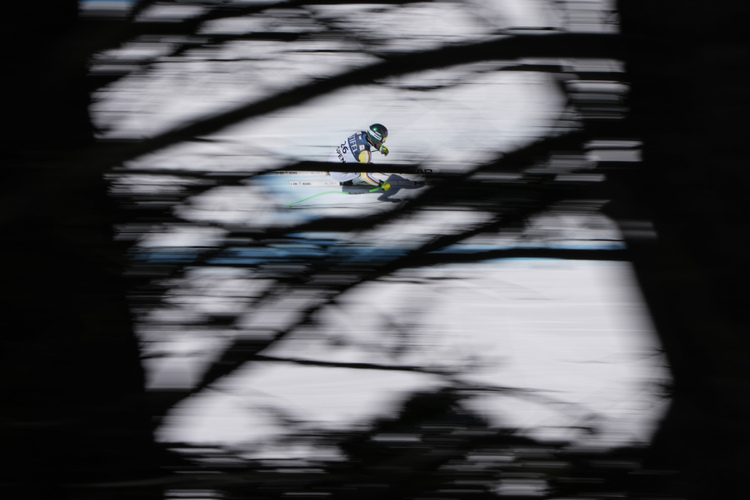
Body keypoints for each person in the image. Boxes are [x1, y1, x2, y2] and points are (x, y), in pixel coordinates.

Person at [328, 123, 392, 190]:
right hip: (339, 175)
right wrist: (380, 184)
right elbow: (365, 176)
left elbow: (362, 144)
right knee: (371, 167)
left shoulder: (360, 133)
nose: (383, 142)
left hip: (331, 160)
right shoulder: (365, 154)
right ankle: (352, 181)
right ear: (376, 138)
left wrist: (378, 147)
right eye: (383, 140)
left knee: (355, 158)